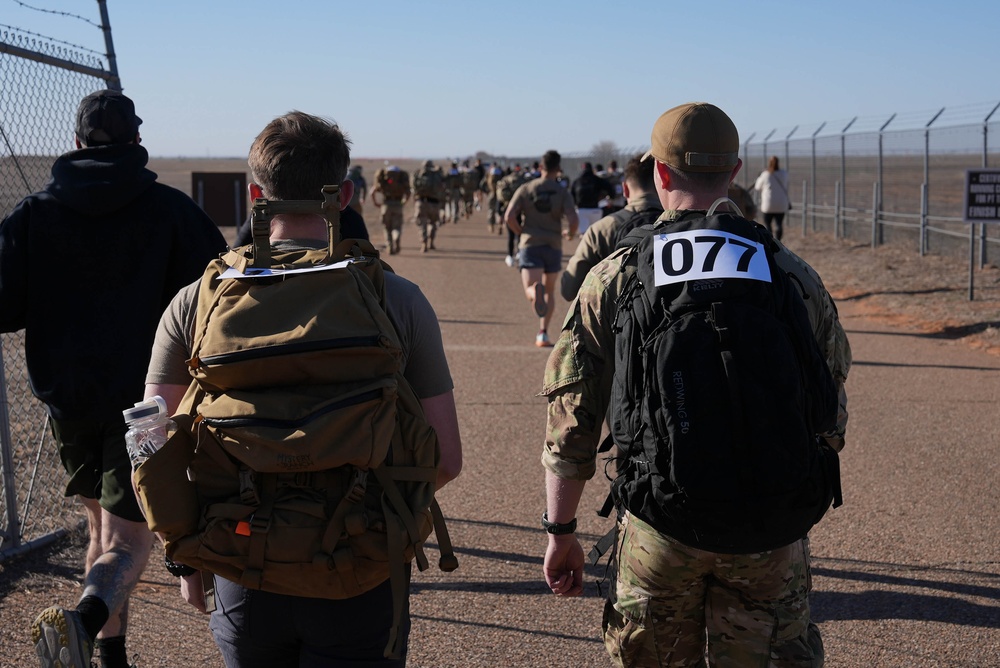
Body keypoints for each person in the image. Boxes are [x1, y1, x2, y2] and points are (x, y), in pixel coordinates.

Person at [144, 111, 462, 667]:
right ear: (344, 194)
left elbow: (152, 441)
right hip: (362, 567)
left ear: (254, 195)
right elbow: (446, 457)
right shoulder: (399, 299)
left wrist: (186, 553)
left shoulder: (197, 301)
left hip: (239, 560)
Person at [539, 102, 850, 667]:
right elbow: (830, 404)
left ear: (659, 174)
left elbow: (572, 416)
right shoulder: (789, 272)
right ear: (733, 172)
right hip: (770, 529)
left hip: (662, 524)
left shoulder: (615, 276)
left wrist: (561, 529)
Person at [0, 89, 227, 668]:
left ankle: (109, 658)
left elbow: (3, 307)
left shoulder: (34, 214)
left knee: (100, 528)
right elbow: (217, 302)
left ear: (76, 143)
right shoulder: (173, 213)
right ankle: (85, 622)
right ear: (137, 143)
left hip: (68, 400)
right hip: (148, 401)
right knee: (130, 539)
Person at [560, 153, 663, 302]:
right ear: (663, 183)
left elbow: (568, 289)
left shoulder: (601, 230)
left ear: (625, 189)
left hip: (617, 321)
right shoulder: (684, 225)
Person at [503, 149, 578, 347]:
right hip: (553, 244)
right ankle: (543, 333)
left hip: (530, 242)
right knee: (550, 291)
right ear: (559, 168)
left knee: (531, 287)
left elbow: (509, 216)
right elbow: (573, 219)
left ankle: (533, 293)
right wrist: (569, 234)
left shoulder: (526, 188)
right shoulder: (562, 192)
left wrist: (520, 232)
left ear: (540, 166)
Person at [370, 164, 410, 254]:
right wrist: (404, 202)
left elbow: (372, 192)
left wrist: (376, 203)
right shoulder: (401, 180)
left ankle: (389, 247)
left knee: (387, 228)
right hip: (398, 205)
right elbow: (408, 192)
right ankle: (396, 237)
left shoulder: (384, 179)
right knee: (397, 227)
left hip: (386, 205)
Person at [411, 159, 446, 252]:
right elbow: (443, 187)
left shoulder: (418, 174)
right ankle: (431, 242)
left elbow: (413, 188)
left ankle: (424, 244)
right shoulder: (437, 175)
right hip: (434, 203)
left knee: (422, 224)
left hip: (421, 202)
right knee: (433, 223)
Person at [570, 162, 614, 236]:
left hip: (581, 210)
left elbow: (571, 196)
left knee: (584, 235)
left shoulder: (576, 181)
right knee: (595, 234)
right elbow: (609, 187)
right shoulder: (597, 179)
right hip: (595, 210)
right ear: (591, 169)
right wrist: (611, 197)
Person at [755, 155, 790, 239]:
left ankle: (770, 240)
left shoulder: (765, 174)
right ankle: (778, 240)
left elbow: (757, 187)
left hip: (768, 204)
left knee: (768, 224)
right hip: (781, 204)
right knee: (779, 223)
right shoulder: (784, 173)